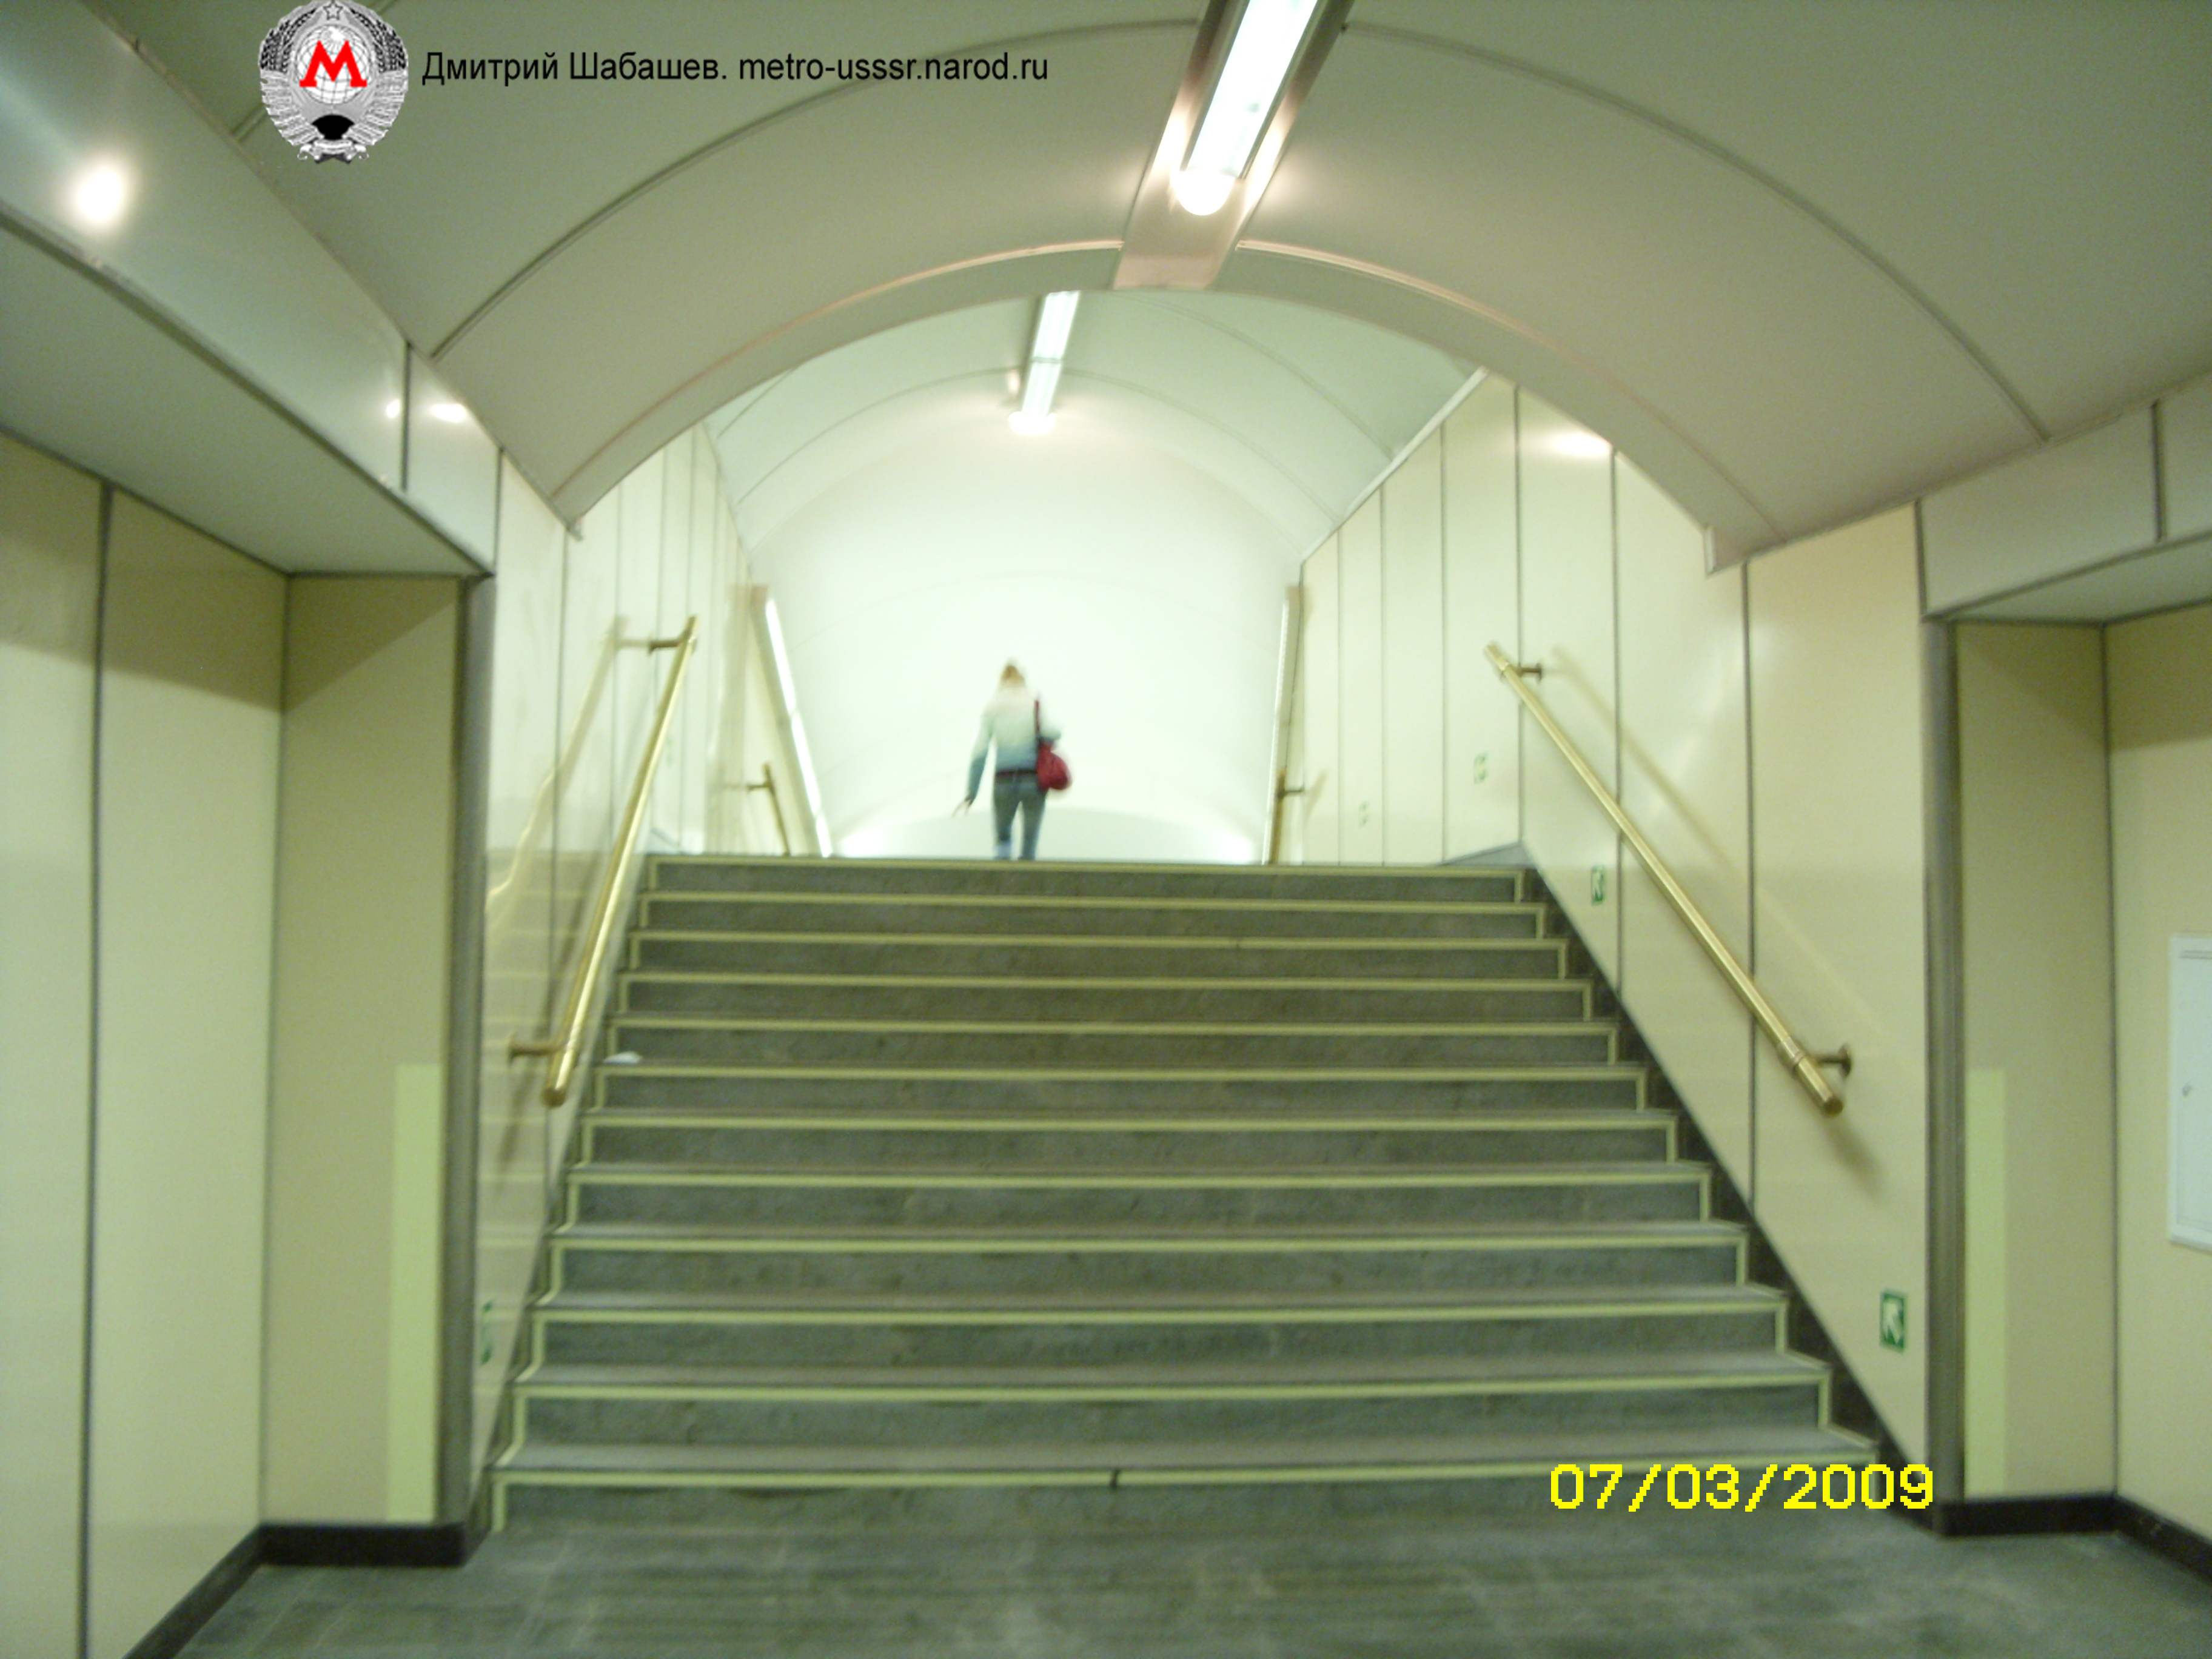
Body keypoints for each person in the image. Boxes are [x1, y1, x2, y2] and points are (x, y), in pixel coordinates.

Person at [958, 662, 1059, 860]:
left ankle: (1001, 875)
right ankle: (1027, 875)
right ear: (1023, 680)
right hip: (1033, 780)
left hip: (1003, 780)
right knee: (1030, 841)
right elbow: (1053, 731)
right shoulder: (1034, 702)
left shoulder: (992, 707)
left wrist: (972, 791)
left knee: (1003, 839)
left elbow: (979, 751)